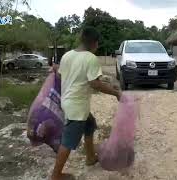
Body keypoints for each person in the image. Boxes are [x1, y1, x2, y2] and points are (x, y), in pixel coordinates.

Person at [51, 26, 121, 180]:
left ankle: (90, 157)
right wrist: (116, 93)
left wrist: (57, 69)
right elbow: (94, 84)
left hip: (68, 101)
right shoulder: (90, 58)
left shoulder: (67, 55)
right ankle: (56, 176)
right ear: (95, 43)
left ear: (81, 39)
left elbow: (64, 76)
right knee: (68, 141)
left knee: (90, 124)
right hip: (77, 107)